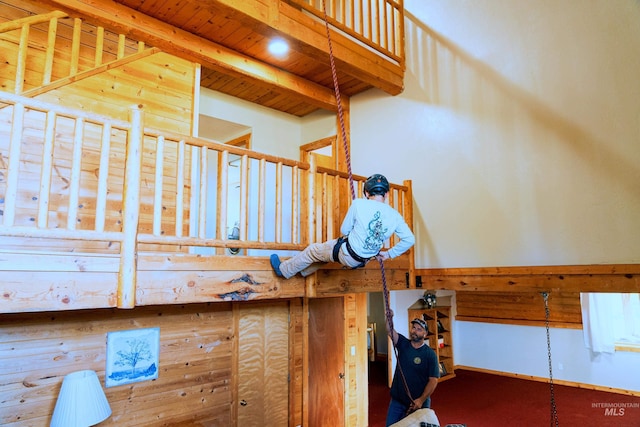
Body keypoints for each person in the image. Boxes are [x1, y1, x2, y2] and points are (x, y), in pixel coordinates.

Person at [269, 174, 415, 279]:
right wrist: (389, 254)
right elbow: (409, 239)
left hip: (348, 254)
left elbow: (344, 230)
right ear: (387, 194)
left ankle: (284, 270)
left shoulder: (359, 203)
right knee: (326, 251)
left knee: (313, 250)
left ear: (366, 192)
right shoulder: (395, 215)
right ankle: (304, 272)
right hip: (364, 259)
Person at [385, 315, 439, 426]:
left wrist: (421, 400)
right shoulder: (403, 344)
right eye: (414, 328)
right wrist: (388, 317)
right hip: (397, 401)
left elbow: (433, 380)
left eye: (419, 329)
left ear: (425, 334)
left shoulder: (430, 354)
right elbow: (390, 331)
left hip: (418, 404)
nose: (415, 331)